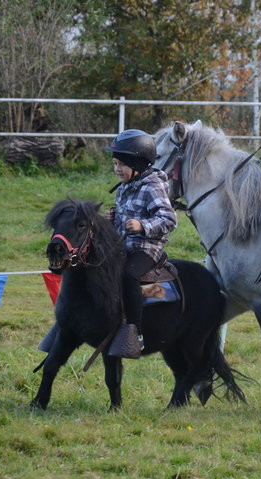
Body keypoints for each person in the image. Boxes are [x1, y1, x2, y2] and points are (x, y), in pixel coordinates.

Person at [104, 129, 177, 358]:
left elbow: (169, 219)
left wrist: (141, 226)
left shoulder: (152, 186)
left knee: (128, 275)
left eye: (122, 165)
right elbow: (125, 218)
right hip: (123, 246)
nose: (117, 169)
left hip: (147, 248)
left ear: (137, 164)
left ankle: (135, 332)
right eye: (115, 164)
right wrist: (114, 219)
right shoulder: (124, 186)